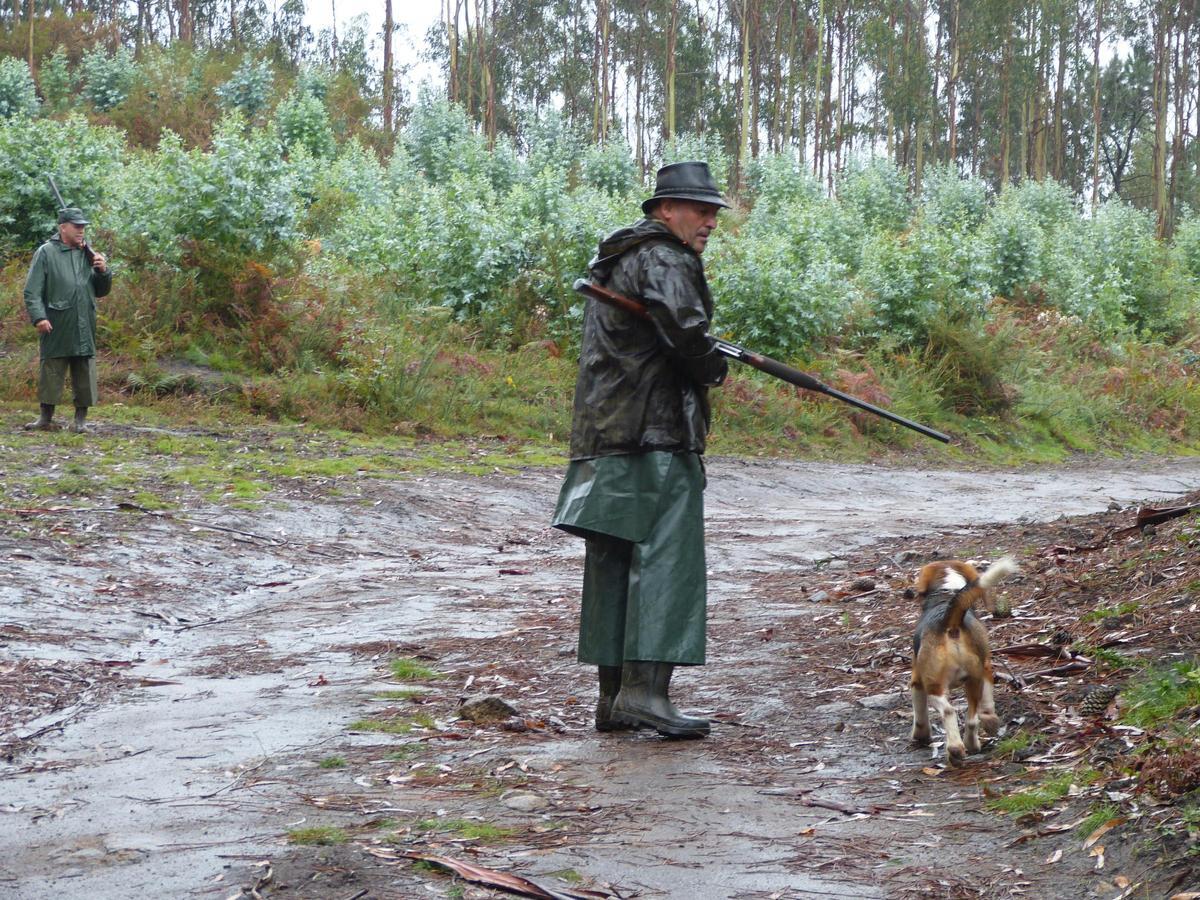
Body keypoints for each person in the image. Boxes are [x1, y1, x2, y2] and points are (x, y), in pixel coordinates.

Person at [552, 161, 730, 739]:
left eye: (712, 212)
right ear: (665, 209)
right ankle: (646, 695)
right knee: (664, 563)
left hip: (604, 434)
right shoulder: (666, 257)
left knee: (614, 563)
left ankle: (613, 700)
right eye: (700, 210)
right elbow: (685, 333)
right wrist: (714, 365)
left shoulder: (622, 258)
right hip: (654, 435)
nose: (709, 222)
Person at [23, 207, 111, 434]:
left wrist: (103, 272)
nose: (81, 230)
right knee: (51, 370)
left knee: (85, 371)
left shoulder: (89, 254)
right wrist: (39, 317)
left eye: (83, 226)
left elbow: (101, 291)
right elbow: (32, 291)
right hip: (56, 322)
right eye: (77, 226)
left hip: (85, 322)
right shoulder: (46, 252)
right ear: (63, 227)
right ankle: (45, 419)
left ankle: (80, 422)